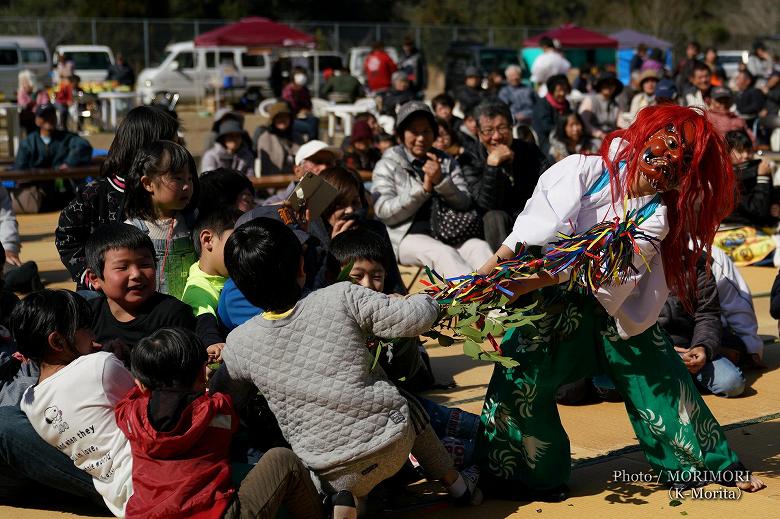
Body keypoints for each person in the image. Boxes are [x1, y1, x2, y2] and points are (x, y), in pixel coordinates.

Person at [474, 105, 765, 497]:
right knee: (522, 380)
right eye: (665, 147)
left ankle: (707, 463)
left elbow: (601, 272)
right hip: (544, 298)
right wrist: (488, 273)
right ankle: (523, 476)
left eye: (681, 163)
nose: (666, 163)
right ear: (644, 136)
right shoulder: (585, 170)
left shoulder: (655, 217)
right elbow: (529, 230)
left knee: (660, 377)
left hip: (611, 303)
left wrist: (523, 283)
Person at [212, 218, 483, 516]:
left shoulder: (239, 344)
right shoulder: (340, 296)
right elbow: (413, 318)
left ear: (241, 286)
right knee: (407, 405)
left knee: (329, 459)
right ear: (301, 267)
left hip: (328, 469)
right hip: (392, 441)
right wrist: (431, 301)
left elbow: (225, 395)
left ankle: (346, 499)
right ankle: (456, 484)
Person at [116, 327, 324, 519]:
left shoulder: (130, 416)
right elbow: (231, 424)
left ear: (141, 386)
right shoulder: (216, 411)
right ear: (202, 373)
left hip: (144, 515)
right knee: (283, 459)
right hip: (215, 514)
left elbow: (133, 397)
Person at [14, 289, 135, 516]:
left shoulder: (28, 404)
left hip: (120, 500)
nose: (93, 334)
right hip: (148, 474)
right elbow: (146, 403)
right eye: (86, 327)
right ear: (58, 341)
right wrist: (120, 360)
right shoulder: (99, 365)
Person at [56, 106, 180, 292]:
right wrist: (91, 278)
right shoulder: (96, 194)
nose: (179, 153)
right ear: (146, 148)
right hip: (103, 295)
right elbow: (67, 236)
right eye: (172, 147)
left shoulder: (174, 191)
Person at [372, 101, 493, 278]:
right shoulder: (387, 164)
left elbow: (465, 201)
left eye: (426, 131)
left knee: (479, 247)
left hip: (451, 234)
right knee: (442, 253)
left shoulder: (446, 161)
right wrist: (424, 189)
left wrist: (441, 181)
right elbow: (383, 211)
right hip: (405, 237)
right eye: (414, 131)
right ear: (400, 135)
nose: (421, 138)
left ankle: (499, 300)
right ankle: (473, 302)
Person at [85, 223, 196, 359]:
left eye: (144, 264)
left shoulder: (173, 314)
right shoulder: (87, 316)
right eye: (122, 267)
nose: (136, 274)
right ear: (95, 278)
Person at [461, 101, 547, 250]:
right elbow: (486, 205)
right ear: (479, 134)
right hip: (493, 228)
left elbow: (547, 183)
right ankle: (506, 269)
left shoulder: (529, 150)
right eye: (488, 130)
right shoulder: (469, 158)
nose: (496, 136)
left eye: (502, 128)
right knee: (494, 216)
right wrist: (492, 166)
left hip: (528, 217)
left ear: (511, 128)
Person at [659, 256, 746, 398]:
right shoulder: (631, 261)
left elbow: (708, 314)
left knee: (732, 383)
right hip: (649, 346)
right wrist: (664, 346)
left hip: (689, 345)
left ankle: (680, 375)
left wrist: (702, 347)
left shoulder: (697, 263)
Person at [123, 140, 198, 300]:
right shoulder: (132, 230)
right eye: (177, 178)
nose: (186, 186)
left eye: (190, 178)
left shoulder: (194, 223)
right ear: (148, 183)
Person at [182, 207, 242, 361]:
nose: (245, 251)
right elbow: (203, 318)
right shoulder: (199, 288)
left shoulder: (233, 273)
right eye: (237, 243)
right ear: (208, 240)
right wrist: (213, 343)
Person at [12, 104, 93, 214]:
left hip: (65, 196)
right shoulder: (28, 143)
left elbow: (84, 146)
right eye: (44, 116)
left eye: (52, 115)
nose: (49, 119)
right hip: (38, 199)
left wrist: (68, 163)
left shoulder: (67, 138)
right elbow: (19, 170)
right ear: (37, 121)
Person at [263, 139, 341, 205]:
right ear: (298, 170)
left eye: (329, 163)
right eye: (317, 161)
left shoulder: (342, 199)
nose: (324, 167)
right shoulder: (273, 205)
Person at [256, 101, 300, 176]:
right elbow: (267, 168)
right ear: (273, 120)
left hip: (296, 180)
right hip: (274, 183)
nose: (282, 119)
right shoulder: (265, 138)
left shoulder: (298, 137)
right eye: (279, 117)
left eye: (285, 116)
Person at [532, 74, 571, 154]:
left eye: (564, 90)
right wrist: (564, 130)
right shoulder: (542, 104)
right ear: (552, 91)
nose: (562, 93)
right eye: (559, 90)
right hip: (546, 141)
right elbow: (546, 127)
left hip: (564, 137)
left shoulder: (566, 103)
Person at [578, 72, 622, 141]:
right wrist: (599, 134)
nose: (609, 86)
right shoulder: (590, 100)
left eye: (612, 84)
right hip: (592, 138)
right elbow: (584, 122)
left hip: (611, 139)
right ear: (600, 85)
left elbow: (620, 123)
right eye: (606, 83)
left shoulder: (616, 104)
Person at [281, 67, 318, 142]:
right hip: (290, 119)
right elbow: (287, 109)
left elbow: (309, 105)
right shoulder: (288, 92)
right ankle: (310, 144)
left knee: (315, 120)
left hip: (303, 117)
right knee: (311, 127)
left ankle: (313, 144)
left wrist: (306, 110)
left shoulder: (304, 90)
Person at [17, 69, 50, 135]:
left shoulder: (41, 92)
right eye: (21, 82)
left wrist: (36, 108)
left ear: (31, 81)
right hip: (27, 117)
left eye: (25, 82)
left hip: (40, 116)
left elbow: (45, 104)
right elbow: (22, 104)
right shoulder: (21, 92)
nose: (23, 84)